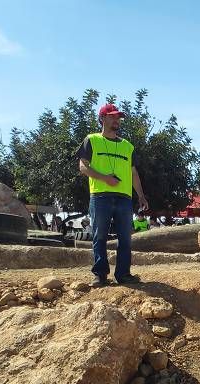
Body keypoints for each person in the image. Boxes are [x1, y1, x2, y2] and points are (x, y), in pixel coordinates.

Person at [75, 103, 150, 286]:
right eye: (112, 117)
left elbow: (133, 172)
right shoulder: (91, 140)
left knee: (125, 237)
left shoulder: (128, 146)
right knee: (99, 236)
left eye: (118, 117)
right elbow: (83, 166)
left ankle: (123, 274)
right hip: (100, 195)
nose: (117, 120)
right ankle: (100, 274)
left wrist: (141, 195)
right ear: (102, 118)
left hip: (124, 198)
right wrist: (104, 178)